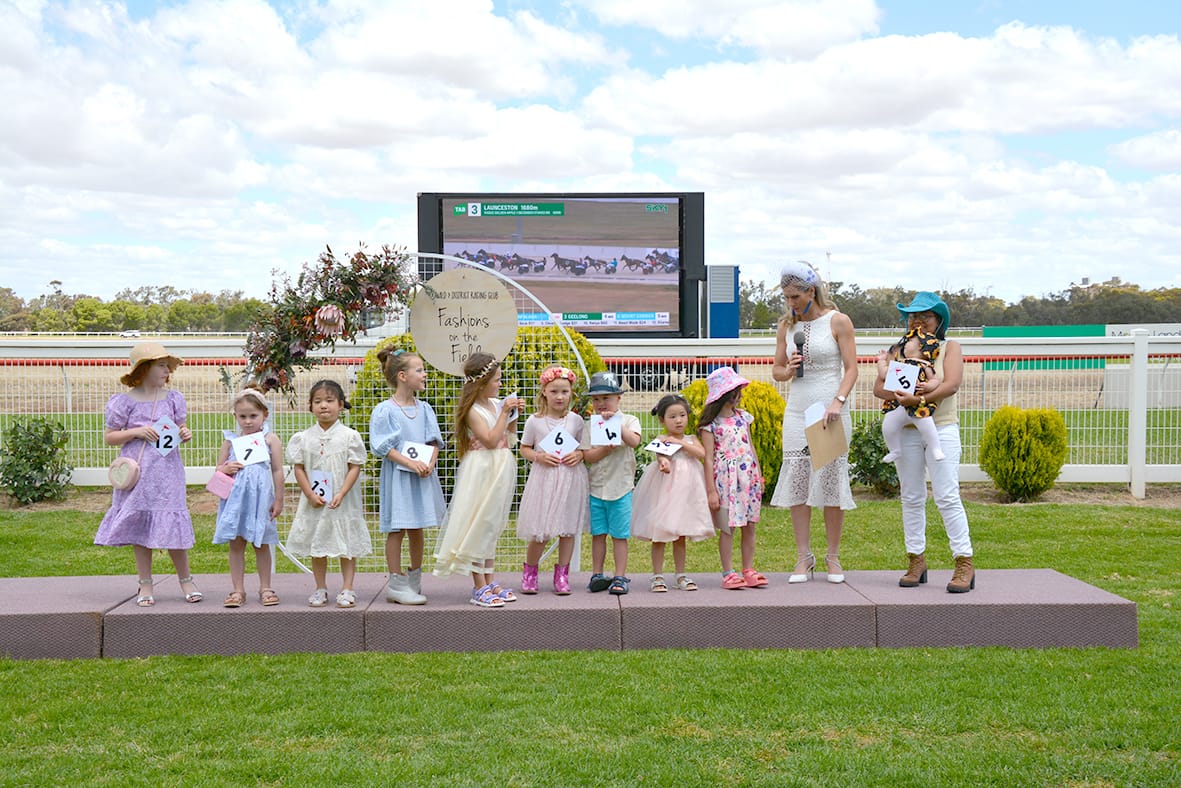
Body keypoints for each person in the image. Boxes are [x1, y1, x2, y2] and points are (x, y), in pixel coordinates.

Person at [874, 292, 976, 593]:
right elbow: (879, 388)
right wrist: (901, 396)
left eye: (925, 317)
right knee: (912, 496)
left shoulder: (949, 348)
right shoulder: (899, 349)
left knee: (946, 495)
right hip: (905, 429)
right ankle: (916, 560)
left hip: (940, 427)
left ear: (938, 321)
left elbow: (951, 384)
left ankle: (964, 562)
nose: (918, 322)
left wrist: (919, 398)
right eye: (913, 317)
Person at [769, 260, 858, 584]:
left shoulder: (838, 321)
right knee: (798, 482)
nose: (790, 303)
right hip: (797, 410)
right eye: (786, 296)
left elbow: (851, 369)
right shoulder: (785, 326)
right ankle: (803, 557)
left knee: (831, 484)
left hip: (828, 410)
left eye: (795, 296)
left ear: (811, 290)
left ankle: (832, 557)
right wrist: (789, 369)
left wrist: (838, 401)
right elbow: (777, 371)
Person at [95, 342, 201, 606]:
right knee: (140, 527)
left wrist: (184, 433)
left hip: (167, 473)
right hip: (139, 474)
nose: (167, 371)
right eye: (161, 365)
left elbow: (179, 428)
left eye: (168, 366)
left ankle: (186, 580)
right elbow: (110, 436)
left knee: (173, 524)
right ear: (144, 369)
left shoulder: (174, 398)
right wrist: (136, 432)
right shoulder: (124, 401)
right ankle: (145, 584)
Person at [432, 353, 526, 608]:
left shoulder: (497, 404)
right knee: (478, 522)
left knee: (492, 525)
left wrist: (512, 415)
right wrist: (505, 412)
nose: (499, 384)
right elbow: (490, 439)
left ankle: (490, 579)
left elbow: (508, 437)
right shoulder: (474, 411)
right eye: (496, 380)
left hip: (501, 466)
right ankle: (478, 584)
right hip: (482, 468)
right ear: (482, 382)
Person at [370, 348, 446, 605]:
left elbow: (433, 439)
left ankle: (414, 578)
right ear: (402, 375)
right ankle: (396, 582)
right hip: (399, 476)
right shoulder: (385, 410)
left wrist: (429, 462)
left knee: (417, 526)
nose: (425, 374)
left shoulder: (424, 408)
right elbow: (383, 446)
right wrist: (411, 463)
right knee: (398, 526)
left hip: (421, 475)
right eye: (420, 370)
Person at [286, 379, 371, 608]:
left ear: (341, 404)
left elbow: (355, 466)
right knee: (317, 541)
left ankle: (348, 588)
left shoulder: (349, 436)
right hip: (316, 500)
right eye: (318, 401)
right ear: (310, 406)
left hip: (343, 501)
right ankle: (320, 587)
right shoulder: (303, 438)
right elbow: (299, 467)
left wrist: (342, 492)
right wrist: (310, 494)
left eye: (330, 401)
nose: (324, 406)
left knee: (347, 544)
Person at [630, 394, 714, 592]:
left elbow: (701, 454)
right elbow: (661, 456)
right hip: (666, 491)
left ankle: (680, 574)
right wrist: (663, 462)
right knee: (660, 533)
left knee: (680, 534)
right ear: (662, 420)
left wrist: (682, 443)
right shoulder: (662, 439)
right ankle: (657, 575)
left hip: (686, 492)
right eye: (672, 416)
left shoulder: (691, 439)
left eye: (682, 415)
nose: (678, 420)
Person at [517, 366, 590, 595]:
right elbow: (524, 448)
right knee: (541, 530)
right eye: (555, 391)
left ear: (571, 394)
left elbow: (582, 448)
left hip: (569, 478)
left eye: (565, 392)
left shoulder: (576, 421)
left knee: (567, 530)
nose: (560, 397)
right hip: (544, 479)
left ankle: (562, 575)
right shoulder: (534, 421)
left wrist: (579, 455)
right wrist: (539, 456)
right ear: (544, 393)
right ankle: (530, 572)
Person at [211, 387, 284, 608]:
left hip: (260, 500)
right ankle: (237, 589)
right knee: (236, 543)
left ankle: (265, 587)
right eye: (243, 416)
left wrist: (278, 499)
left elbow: (277, 470)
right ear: (235, 416)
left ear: (265, 414)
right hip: (236, 501)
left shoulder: (270, 439)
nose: (248, 421)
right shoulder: (231, 441)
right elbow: (218, 469)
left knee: (261, 542)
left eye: (253, 416)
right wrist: (226, 468)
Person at [698, 367, 767, 590]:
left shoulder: (743, 417)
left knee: (750, 525)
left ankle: (748, 569)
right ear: (726, 394)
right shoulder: (711, 425)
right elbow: (709, 458)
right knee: (729, 527)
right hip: (726, 479)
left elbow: (750, 446)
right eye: (737, 391)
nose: (740, 395)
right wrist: (711, 490)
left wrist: (758, 473)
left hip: (747, 478)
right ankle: (728, 572)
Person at [579, 370, 642, 595]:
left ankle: (620, 575)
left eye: (606, 398)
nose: (601, 403)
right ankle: (597, 574)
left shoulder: (629, 420)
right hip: (597, 487)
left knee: (619, 534)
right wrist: (605, 448)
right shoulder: (589, 425)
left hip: (621, 487)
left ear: (618, 398)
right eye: (596, 399)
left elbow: (634, 441)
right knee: (598, 533)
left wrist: (618, 426)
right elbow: (588, 456)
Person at [880, 328, 945, 464]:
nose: (906, 343)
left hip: (918, 406)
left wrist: (927, 386)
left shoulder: (925, 365)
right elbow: (883, 374)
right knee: (888, 426)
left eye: (910, 342)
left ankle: (936, 448)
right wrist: (881, 361)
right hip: (898, 405)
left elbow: (935, 380)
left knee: (928, 426)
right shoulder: (899, 362)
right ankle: (895, 450)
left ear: (921, 347)